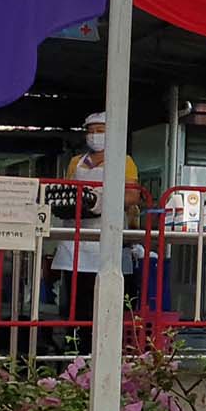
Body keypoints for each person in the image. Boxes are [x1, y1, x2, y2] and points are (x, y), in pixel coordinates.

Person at [53, 111, 137, 350]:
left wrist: (102, 201)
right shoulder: (75, 162)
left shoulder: (124, 161)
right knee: (75, 302)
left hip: (106, 238)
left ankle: (104, 349)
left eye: (100, 131)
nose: (94, 135)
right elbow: (67, 193)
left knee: (104, 302)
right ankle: (75, 349)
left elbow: (132, 196)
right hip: (75, 241)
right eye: (91, 131)